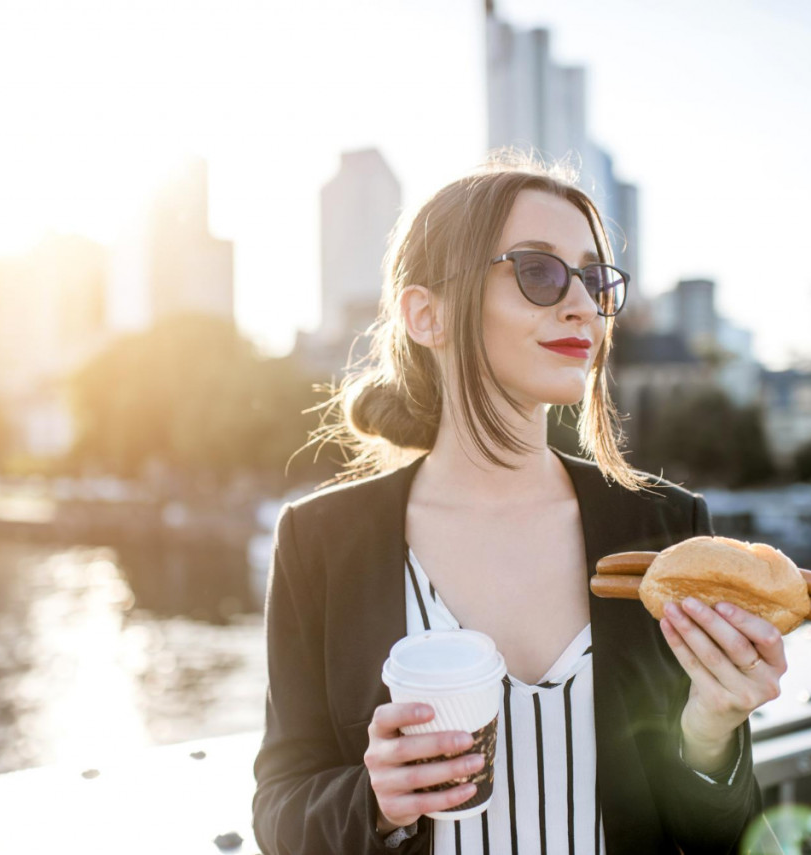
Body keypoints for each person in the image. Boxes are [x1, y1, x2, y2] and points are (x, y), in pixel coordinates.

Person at [252, 152, 783, 854]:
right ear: (426, 314)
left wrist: (711, 732)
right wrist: (374, 800)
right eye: (538, 271)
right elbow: (280, 808)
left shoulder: (666, 529)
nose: (580, 305)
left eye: (595, 279)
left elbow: (722, 835)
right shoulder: (321, 541)